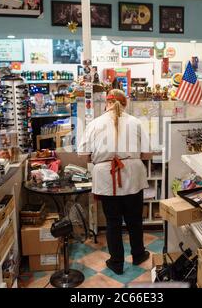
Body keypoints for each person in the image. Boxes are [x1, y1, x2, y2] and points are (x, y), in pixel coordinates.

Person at [78, 89, 151, 275]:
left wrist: (103, 158)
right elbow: (147, 154)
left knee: (113, 222)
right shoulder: (136, 122)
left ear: (106, 103)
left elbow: (85, 155)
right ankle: (139, 254)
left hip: (105, 176)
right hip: (133, 174)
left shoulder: (94, 123)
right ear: (125, 104)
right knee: (135, 220)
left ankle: (117, 262)